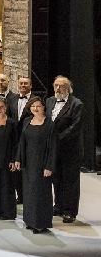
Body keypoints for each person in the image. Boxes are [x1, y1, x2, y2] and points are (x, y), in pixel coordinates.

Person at [15, 96, 56, 233]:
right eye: (33, 106)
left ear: (44, 107)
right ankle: (30, 221)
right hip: (28, 164)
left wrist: (49, 166)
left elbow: (53, 147)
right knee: (29, 193)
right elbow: (22, 142)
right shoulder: (27, 121)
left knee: (41, 194)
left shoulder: (49, 123)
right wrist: (18, 159)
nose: (35, 108)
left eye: (38, 106)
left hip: (42, 164)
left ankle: (41, 223)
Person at [47, 75, 84, 224]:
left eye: (61, 86)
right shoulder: (49, 101)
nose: (58, 88)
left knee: (70, 181)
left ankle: (70, 211)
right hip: (54, 149)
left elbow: (75, 127)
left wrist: (57, 139)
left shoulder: (76, 104)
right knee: (57, 178)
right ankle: (59, 206)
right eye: (56, 85)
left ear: (68, 88)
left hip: (70, 150)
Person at [7, 76, 32, 203]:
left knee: (27, 169)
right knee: (16, 169)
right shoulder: (12, 99)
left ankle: (28, 196)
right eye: (21, 83)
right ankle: (20, 196)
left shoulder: (36, 101)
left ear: (30, 86)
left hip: (29, 140)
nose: (23, 85)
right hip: (15, 139)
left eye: (26, 83)